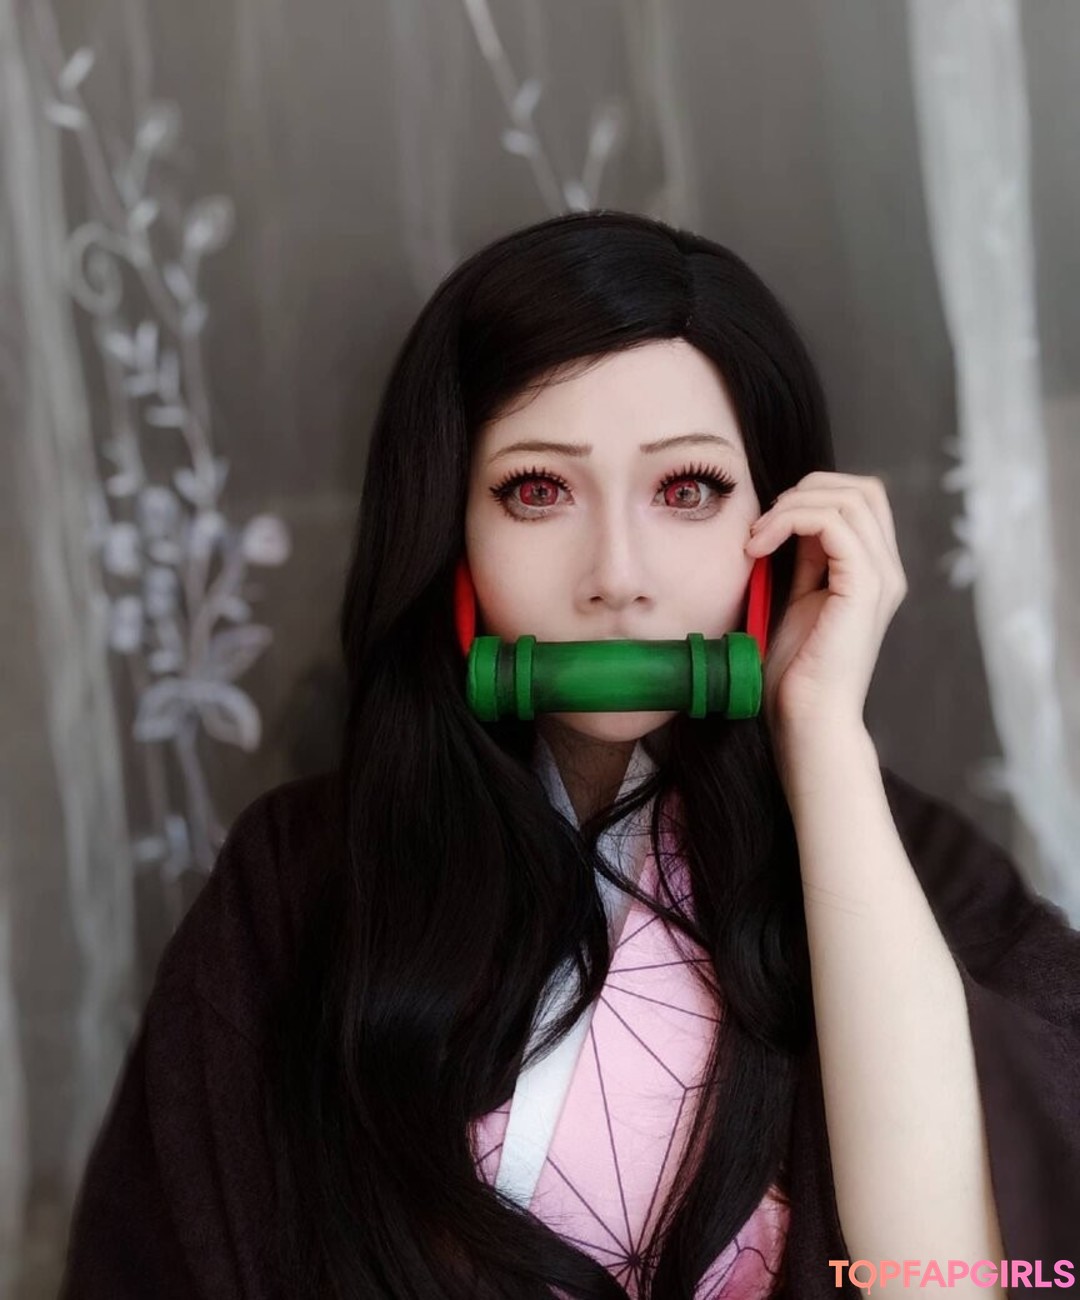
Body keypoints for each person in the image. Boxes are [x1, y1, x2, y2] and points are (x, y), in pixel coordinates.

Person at [60, 211, 1080, 1299]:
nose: (617, 576)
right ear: (451, 529)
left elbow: (947, 1282)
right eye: (537, 490)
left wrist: (821, 734)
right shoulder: (294, 879)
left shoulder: (917, 873)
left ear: (780, 526)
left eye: (687, 490)